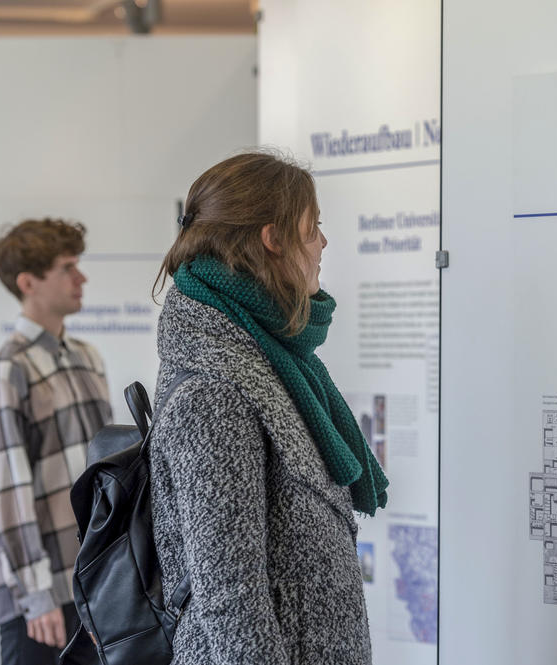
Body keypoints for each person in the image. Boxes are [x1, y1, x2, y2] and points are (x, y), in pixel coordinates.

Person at [149, 152, 388, 664]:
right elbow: (230, 597)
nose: (323, 243)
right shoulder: (213, 390)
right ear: (272, 238)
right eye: (312, 228)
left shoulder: (260, 357)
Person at [0, 218, 111, 665]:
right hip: (42, 602)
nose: (81, 278)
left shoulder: (88, 358)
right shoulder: (7, 372)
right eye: (67, 268)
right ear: (28, 283)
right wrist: (36, 594)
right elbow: (7, 493)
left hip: (95, 587)